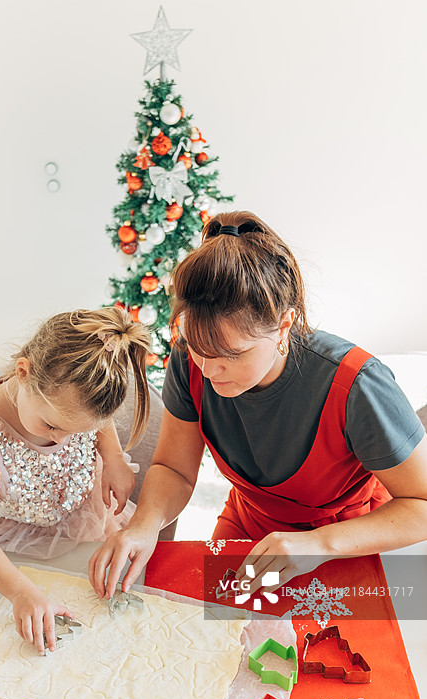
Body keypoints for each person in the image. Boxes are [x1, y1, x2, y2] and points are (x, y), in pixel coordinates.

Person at [89, 210, 427, 601]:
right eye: (199, 349)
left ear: (284, 326)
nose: (210, 369)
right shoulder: (189, 360)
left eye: (231, 354)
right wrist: (143, 525)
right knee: (208, 635)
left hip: (346, 538)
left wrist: (318, 545)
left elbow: (421, 504)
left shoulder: (358, 385)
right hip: (248, 525)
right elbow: (174, 470)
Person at [0, 307, 151, 654]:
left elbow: (92, 419)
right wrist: (20, 591)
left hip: (88, 516)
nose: (62, 441)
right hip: (23, 546)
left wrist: (114, 456)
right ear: (24, 373)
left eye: (78, 432)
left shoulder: (74, 396)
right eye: (53, 427)